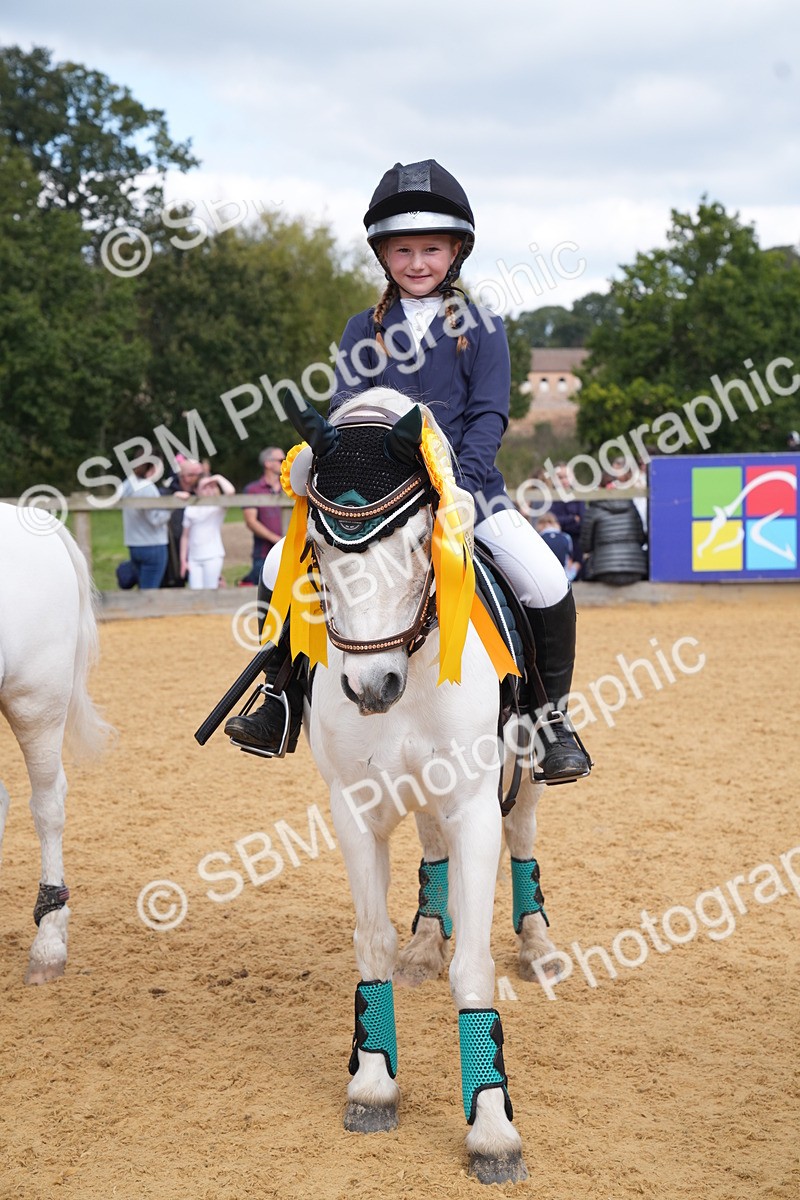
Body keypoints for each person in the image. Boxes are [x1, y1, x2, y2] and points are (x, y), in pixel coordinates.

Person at [225, 159, 591, 783]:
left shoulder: (484, 328)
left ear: (455, 251)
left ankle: (547, 719)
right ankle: (282, 698)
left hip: (471, 495)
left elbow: (488, 417)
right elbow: (345, 414)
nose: (417, 262)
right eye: (403, 250)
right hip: (376, 504)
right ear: (383, 255)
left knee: (547, 579)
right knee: (273, 567)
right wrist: (321, 464)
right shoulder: (359, 329)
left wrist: (464, 489)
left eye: (431, 249)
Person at [120, 459, 172, 588]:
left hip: (134, 545)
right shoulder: (148, 487)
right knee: (149, 593)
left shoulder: (127, 484)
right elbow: (155, 519)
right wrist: (171, 508)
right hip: (153, 545)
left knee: (143, 588)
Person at [238, 448, 286, 586]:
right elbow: (251, 522)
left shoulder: (288, 487)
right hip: (264, 554)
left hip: (292, 550)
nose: (284, 463)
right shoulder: (252, 489)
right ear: (268, 463)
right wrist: (278, 541)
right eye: (280, 460)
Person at [180, 473, 236, 589]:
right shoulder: (191, 508)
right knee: (195, 591)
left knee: (210, 589)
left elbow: (230, 492)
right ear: (196, 489)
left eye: (212, 486)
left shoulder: (218, 506)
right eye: (205, 487)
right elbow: (185, 536)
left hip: (213, 555)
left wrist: (217, 478)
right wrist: (183, 560)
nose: (209, 490)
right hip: (194, 558)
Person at [160, 457, 205, 587]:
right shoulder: (167, 493)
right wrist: (173, 500)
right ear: (182, 476)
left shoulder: (203, 493)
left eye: (199, 474)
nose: (197, 478)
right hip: (172, 550)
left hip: (198, 548)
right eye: (192, 475)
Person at [535, 513, 577, 581]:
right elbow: (569, 560)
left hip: (544, 575)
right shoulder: (566, 537)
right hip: (563, 576)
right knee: (577, 564)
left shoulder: (537, 537)